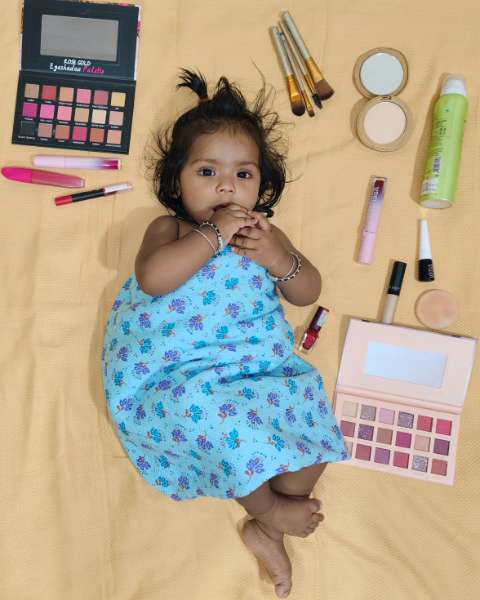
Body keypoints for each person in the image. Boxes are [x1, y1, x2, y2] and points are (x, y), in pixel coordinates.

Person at [102, 69, 349, 598]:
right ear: (177, 183)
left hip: (257, 369)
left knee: (313, 441)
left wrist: (280, 258)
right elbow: (153, 279)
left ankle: (266, 526)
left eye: (243, 174)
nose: (226, 186)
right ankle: (269, 512)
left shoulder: (265, 235)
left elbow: (307, 291)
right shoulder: (171, 229)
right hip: (179, 376)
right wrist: (212, 235)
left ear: (261, 185)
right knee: (211, 420)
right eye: (207, 171)